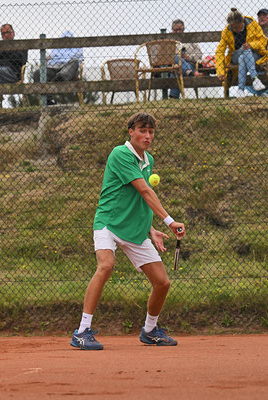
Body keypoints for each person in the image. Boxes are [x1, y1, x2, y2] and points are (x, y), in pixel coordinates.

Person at [70, 112, 186, 350]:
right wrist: (169, 221)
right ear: (131, 132)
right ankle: (82, 331)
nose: (147, 136)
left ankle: (150, 330)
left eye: (151, 132)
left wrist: (150, 229)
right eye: (142, 130)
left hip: (135, 229)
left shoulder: (148, 160)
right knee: (106, 266)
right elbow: (145, 191)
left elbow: (136, 198)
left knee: (162, 283)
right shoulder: (120, 153)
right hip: (108, 223)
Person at [215, 8, 268, 98]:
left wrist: (251, 45)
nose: (235, 30)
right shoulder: (227, 31)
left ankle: (240, 90)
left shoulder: (252, 23)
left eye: (237, 27)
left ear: (242, 22)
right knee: (244, 50)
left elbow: (263, 40)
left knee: (243, 57)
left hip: (254, 54)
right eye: (233, 28)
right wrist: (220, 71)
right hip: (235, 55)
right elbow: (220, 51)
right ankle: (255, 79)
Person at [33, 30, 83, 104]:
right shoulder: (56, 47)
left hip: (67, 68)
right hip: (53, 67)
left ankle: (59, 78)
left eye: (68, 40)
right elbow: (51, 57)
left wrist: (65, 59)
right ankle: (49, 100)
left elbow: (78, 59)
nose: (66, 42)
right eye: (64, 39)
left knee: (75, 62)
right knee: (38, 73)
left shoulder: (77, 47)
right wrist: (48, 58)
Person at [169, 19, 203, 99]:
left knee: (176, 70)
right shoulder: (170, 41)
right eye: (176, 30)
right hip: (175, 65)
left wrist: (189, 57)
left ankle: (173, 98)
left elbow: (199, 54)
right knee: (175, 58)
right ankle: (189, 72)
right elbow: (164, 56)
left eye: (180, 29)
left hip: (190, 64)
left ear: (183, 29)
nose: (178, 32)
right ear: (172, 30)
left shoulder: (190, 39)